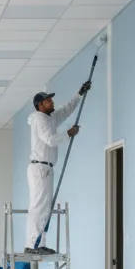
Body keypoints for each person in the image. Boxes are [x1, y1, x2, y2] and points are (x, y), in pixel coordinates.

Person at [25, 82, 89, 253]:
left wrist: (79, 94)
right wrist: (69, 133)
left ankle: (40, 243)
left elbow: (66, 110)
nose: (52, 102)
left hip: (45, 169)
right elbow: (50, 139)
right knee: (39, 206)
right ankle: (32, 244)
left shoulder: (49, 118)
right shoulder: (39, 119)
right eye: (48, 101)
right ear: (40, 105)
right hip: (40, 168)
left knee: (45, 207)